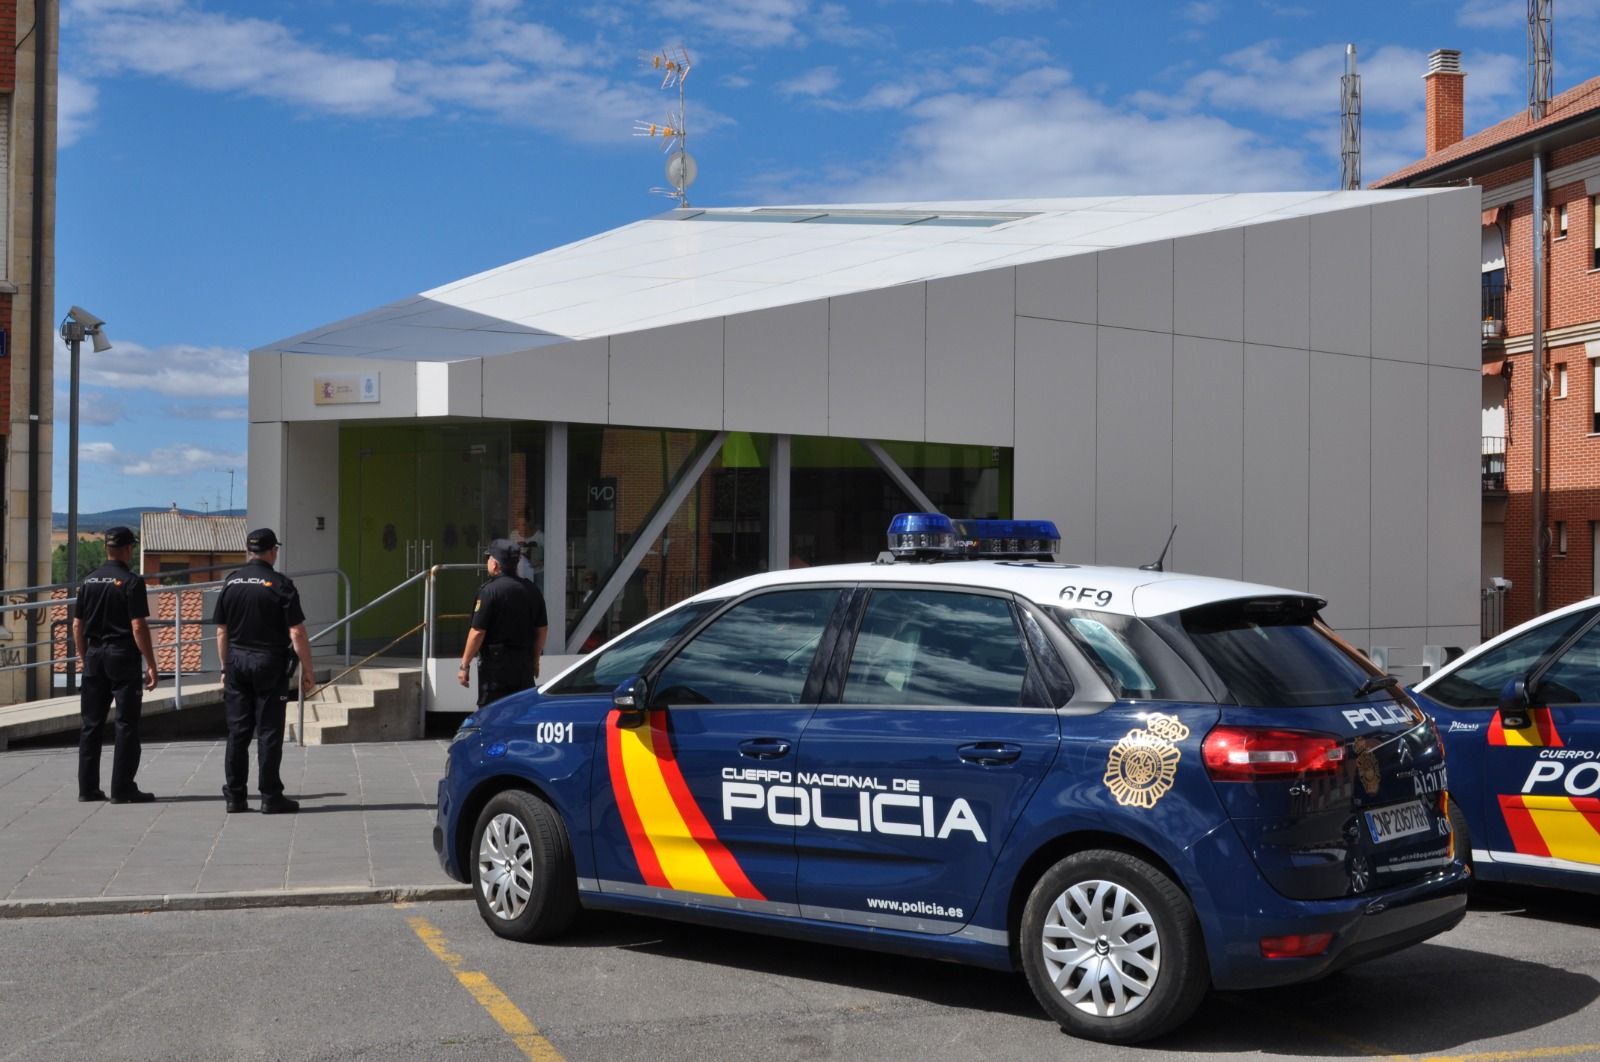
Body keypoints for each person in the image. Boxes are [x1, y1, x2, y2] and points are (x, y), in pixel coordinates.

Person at [213, 528, 316, 814]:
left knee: (237, 732)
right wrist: (308, 669)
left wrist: (225, 667)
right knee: (269, 732)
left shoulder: (231, 582)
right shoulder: (280, 584)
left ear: (249, 551)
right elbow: (297, 632)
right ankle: (271, 796)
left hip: (236, 661)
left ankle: (235, 796)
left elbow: (222, 632)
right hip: (269, 663)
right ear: (273, 551)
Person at [72, 526, 160, 803]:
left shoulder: (89, 581)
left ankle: (87, 789)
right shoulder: (132, 582)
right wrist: (151, 663)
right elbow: (138, 626)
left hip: (95, 656)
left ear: (105, 548)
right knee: (126, 724)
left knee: (91, 724)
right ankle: (122, 788)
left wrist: (84, 657)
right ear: (128, 549)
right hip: (122, 656)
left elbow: (77, 625)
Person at [459, 538, 548, 706]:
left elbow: (478, 632)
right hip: (523, 664)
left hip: (496, 670)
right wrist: (535, 661)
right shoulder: (532, 590)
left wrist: (464, 665)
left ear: (495, 564)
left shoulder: (489, 592)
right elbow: (542, 629)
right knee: (522, 713)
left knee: (492, 716)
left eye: (489, 559)